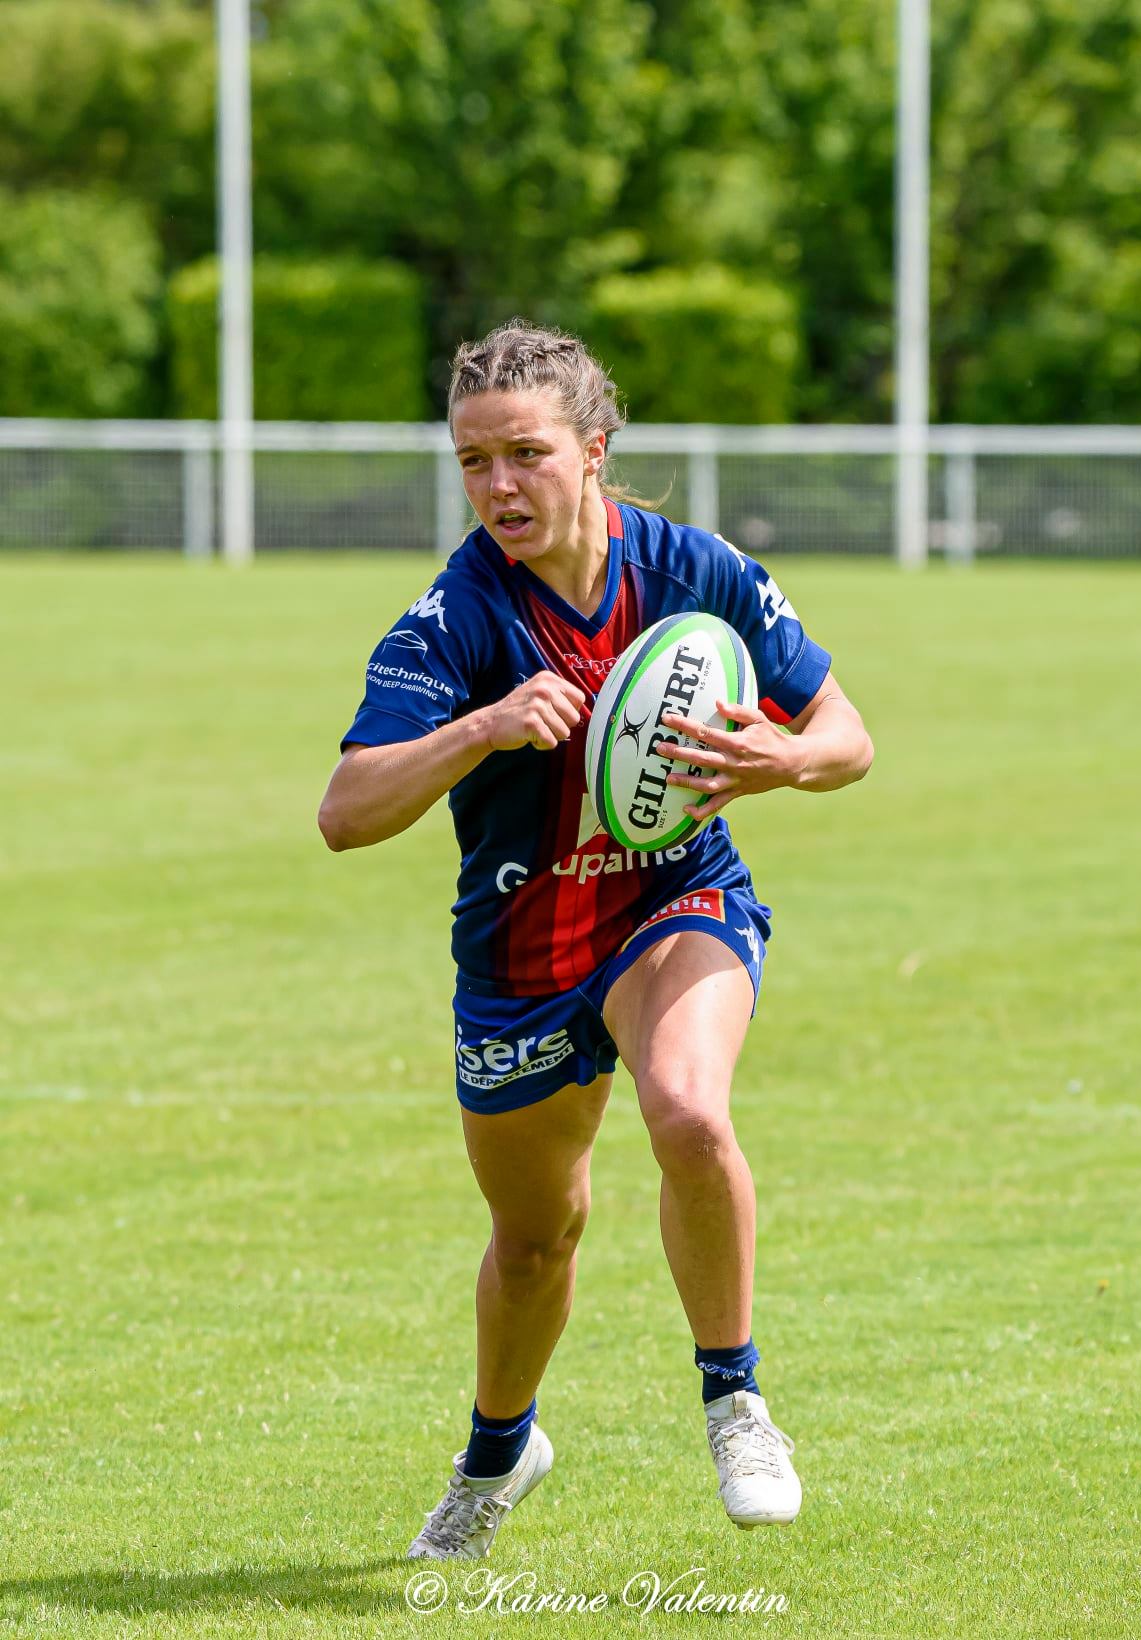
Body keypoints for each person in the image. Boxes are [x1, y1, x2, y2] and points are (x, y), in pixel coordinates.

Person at [317, 320, 873, 1560]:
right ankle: (500, 1449)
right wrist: (482, 728)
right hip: (520, 952)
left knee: (688, 1108)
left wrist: (781, 758)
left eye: (525, 453)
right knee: (533, 1240)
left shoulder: (696, 568)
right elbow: (346, 811)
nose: (499, 485)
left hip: (677, 897)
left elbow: (847, 733)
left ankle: (737, 1396)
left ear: (595, 448)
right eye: (474, 461)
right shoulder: (453, 617)